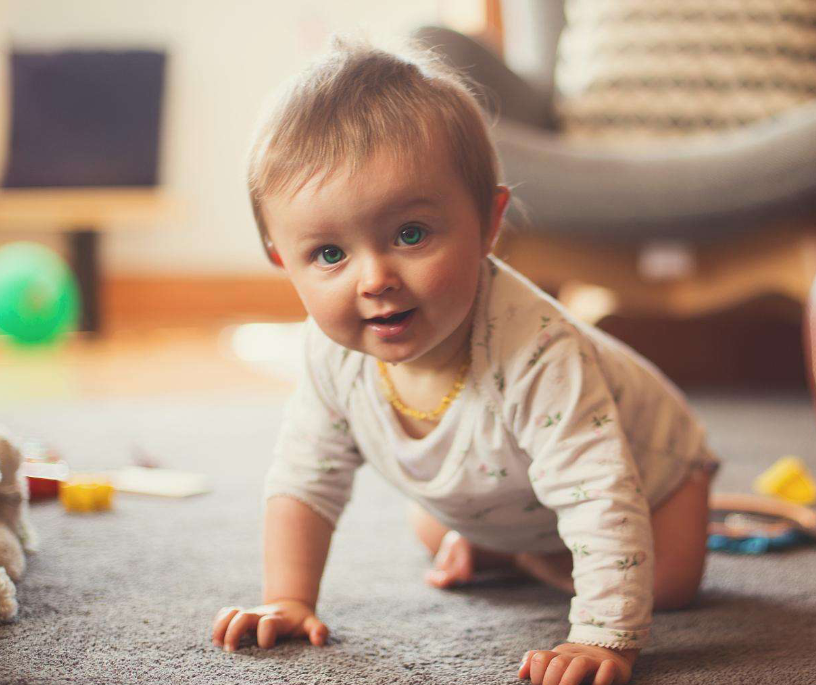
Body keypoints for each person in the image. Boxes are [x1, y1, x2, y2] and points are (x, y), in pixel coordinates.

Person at [210, 33, 721, 685]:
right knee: (432, 523)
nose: (374, 279)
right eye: (330, 254)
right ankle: (527, 551)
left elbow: (599, 492)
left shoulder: (536, 350)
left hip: (650, 477)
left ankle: (534, 555)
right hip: (510, 488)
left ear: (488, 222)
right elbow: (305, 480)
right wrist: (288, 597)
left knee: (667, 582)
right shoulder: (330, 354)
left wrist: (602, 638)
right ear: (285, 261)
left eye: (411, 234)